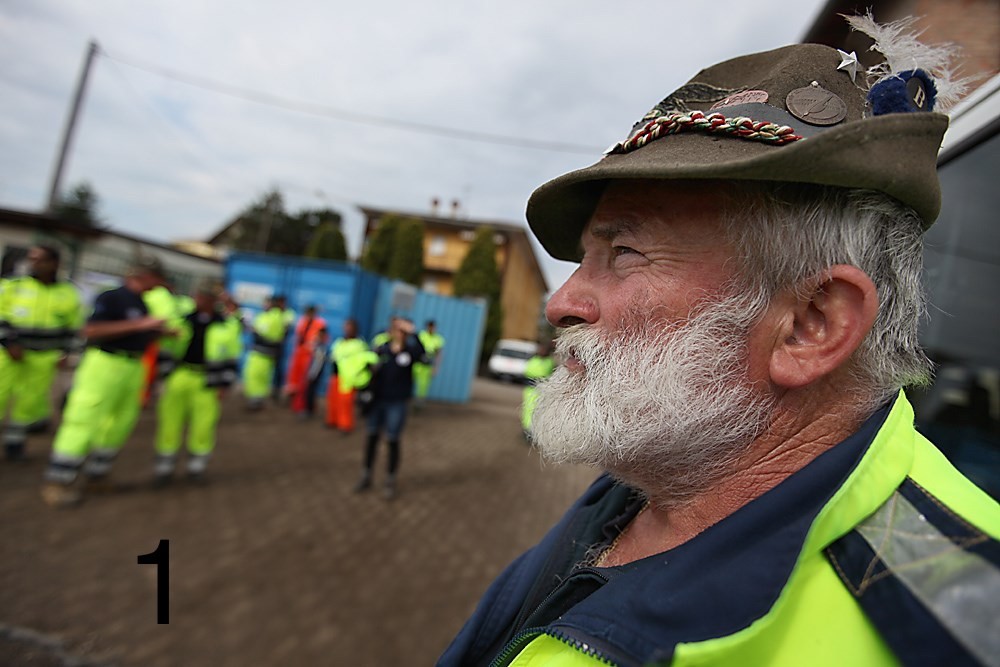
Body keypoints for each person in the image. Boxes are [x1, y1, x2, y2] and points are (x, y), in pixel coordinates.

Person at [440, 20, 1000, 667]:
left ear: (809, 324)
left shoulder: (960, 622)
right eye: (586, 255)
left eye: (623, 252)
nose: (561, 301)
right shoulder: (661, 468)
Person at [41, 256, 168, 507]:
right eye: (158, 278)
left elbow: (134, 331)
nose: (160, 284)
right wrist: (140, 324)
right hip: (104, 364)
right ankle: (58, 482)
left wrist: (155, 332)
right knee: (84, 419)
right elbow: (91, 330)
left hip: (133, 367)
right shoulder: (111, 297)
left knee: (120, 421)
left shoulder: (141, 303)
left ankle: (97, 475)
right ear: (144, 276)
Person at [153, 282, 242, 485]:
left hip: (206, 380)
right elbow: (165, 348)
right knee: (170, 421)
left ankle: (196, 466)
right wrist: (163, 376)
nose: (200, 300)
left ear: (214, 301)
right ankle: (164, 467)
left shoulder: (226, 325)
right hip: (180, 375)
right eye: (199, 296)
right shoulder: (182, 320)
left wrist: (224, 385)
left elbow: (232, 356)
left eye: (206, 297)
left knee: (203, 424)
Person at [0, 245, 83, 460]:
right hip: (7, 354)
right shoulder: (13, 285)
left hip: (44, 356)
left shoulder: (68, 292)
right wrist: (9, 342)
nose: (33, 263)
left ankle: (14, 443)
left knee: (29, 401)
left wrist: (67, 352)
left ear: (54, 264)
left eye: (39, 259)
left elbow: (73, 327)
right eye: (31, 259)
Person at [353, 316, 425, 500]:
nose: (398, 333)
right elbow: (367, 368)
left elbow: (423, 355)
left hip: (397, 403)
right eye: (396, 329)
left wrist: (413, 331)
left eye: (402, 331)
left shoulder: (410, 352)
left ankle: (390, 481)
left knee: (392, 440)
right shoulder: (382, 350)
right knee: (371, 438)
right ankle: (366, 475)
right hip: (378, 402)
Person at [326, 318, 374, 434]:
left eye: (350, 327)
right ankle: (332, 420)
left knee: (345, 402)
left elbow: (365, 360)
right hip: (336, 375)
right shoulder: (339, 342)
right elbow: (333, 356)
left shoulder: (359, 344)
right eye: (346, 326)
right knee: (333, 400)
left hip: (348, 378)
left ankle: (345, 425)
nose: (347, 329)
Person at [242, 294, 290, 411]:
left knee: (255, 375)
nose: (263, 305)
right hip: (267, 352)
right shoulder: (278, 316)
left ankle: (256, 400)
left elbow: (262, 332)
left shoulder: (271, 317)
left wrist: (254, 330)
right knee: (262, 376)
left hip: (262, 352)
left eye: (266, 303)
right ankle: (258, 399)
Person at [285, 305, 327, 411]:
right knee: (295, 380)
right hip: (300, 354)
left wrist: (312, 347)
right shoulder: (302, 321)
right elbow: (299, 337)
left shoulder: (320, 324)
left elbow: (322, 340)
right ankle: (296, 402)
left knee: (307, 381)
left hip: (311, 357)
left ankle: (306, 405)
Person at [520, 340, 554, 435]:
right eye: (540, 349)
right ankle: (526, 430)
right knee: (527, 409)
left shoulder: (549, 362)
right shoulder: (533, 360)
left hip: (540, 391)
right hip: (530, 390)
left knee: (537, 411)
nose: (541, 351)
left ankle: (532, 431)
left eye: (543, 349)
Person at [413, 319, 445, 408]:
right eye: (430, 327)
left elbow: (439, 354)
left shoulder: (438, 339)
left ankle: (419, 404)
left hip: (427, 366)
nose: (431, 329)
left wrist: (436, 367)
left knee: (423, 386)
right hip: (417, 364)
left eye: (433, 327)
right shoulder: (421, 336)